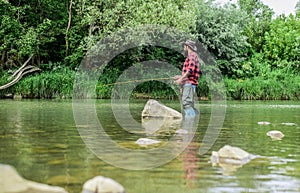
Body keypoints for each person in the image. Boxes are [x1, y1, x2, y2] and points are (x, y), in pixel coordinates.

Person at [174, 40, 200, 117]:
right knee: (189, 104)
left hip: (189, 84)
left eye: (184, 46)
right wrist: (179, 77)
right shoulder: (192, 56)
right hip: (190, 84)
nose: (183, 48)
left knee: (186, 103)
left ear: (187, 47)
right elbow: (190, 72)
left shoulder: (192, 55)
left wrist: (180, 80)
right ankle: (192, 124)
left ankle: (189, 124)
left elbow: (190, 70)